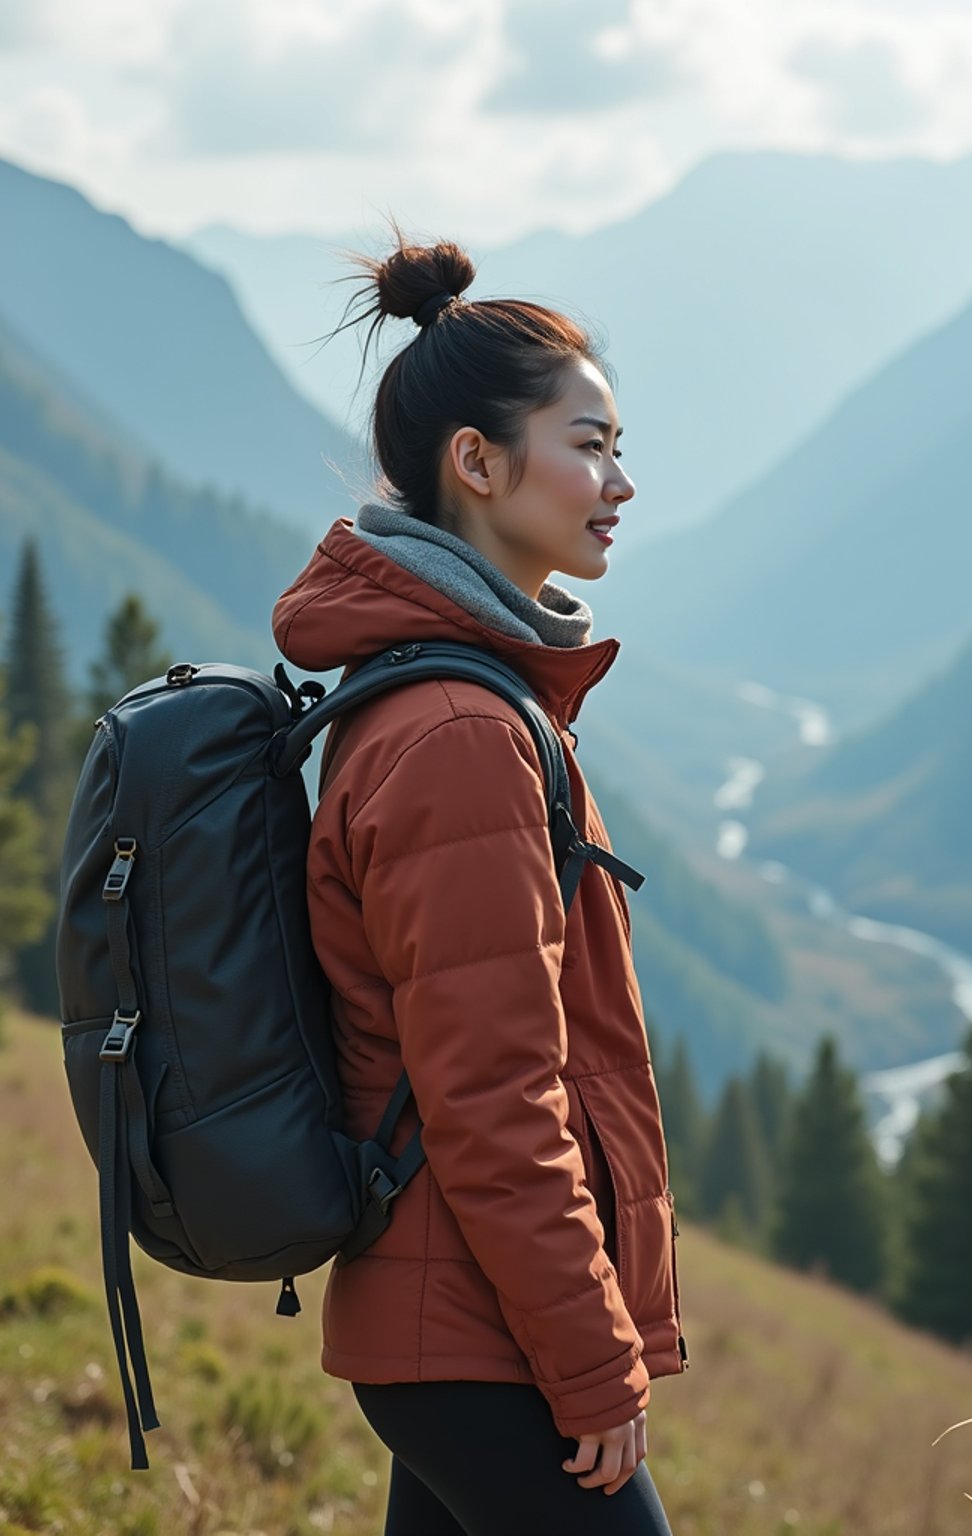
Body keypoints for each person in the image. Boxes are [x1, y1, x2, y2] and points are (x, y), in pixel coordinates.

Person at [272, 229, 686, 1536]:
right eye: (591, 443)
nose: (619, 480)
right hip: (484, 1334)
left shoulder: (468, 697)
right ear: (477, 463)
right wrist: (591, 1356)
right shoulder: (461, 733)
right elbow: (492, 1093)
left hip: (454, 1317)